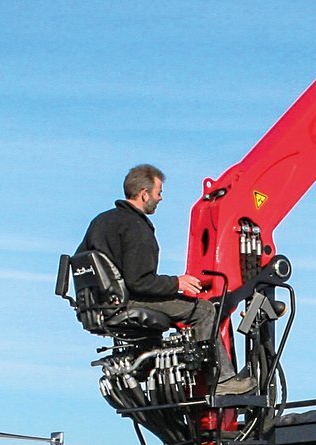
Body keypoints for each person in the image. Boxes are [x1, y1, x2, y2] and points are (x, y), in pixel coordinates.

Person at [76, 164, 254, 394]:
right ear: (144, 193)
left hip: (99, 305)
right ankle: (221, 381)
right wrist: (177, 283)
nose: (160, 199)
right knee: (205, 311)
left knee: (180, 307)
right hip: (129, 301)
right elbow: (139, 282)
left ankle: (148, 362)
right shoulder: (135, 227)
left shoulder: (100, 222)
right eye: (159, 192)